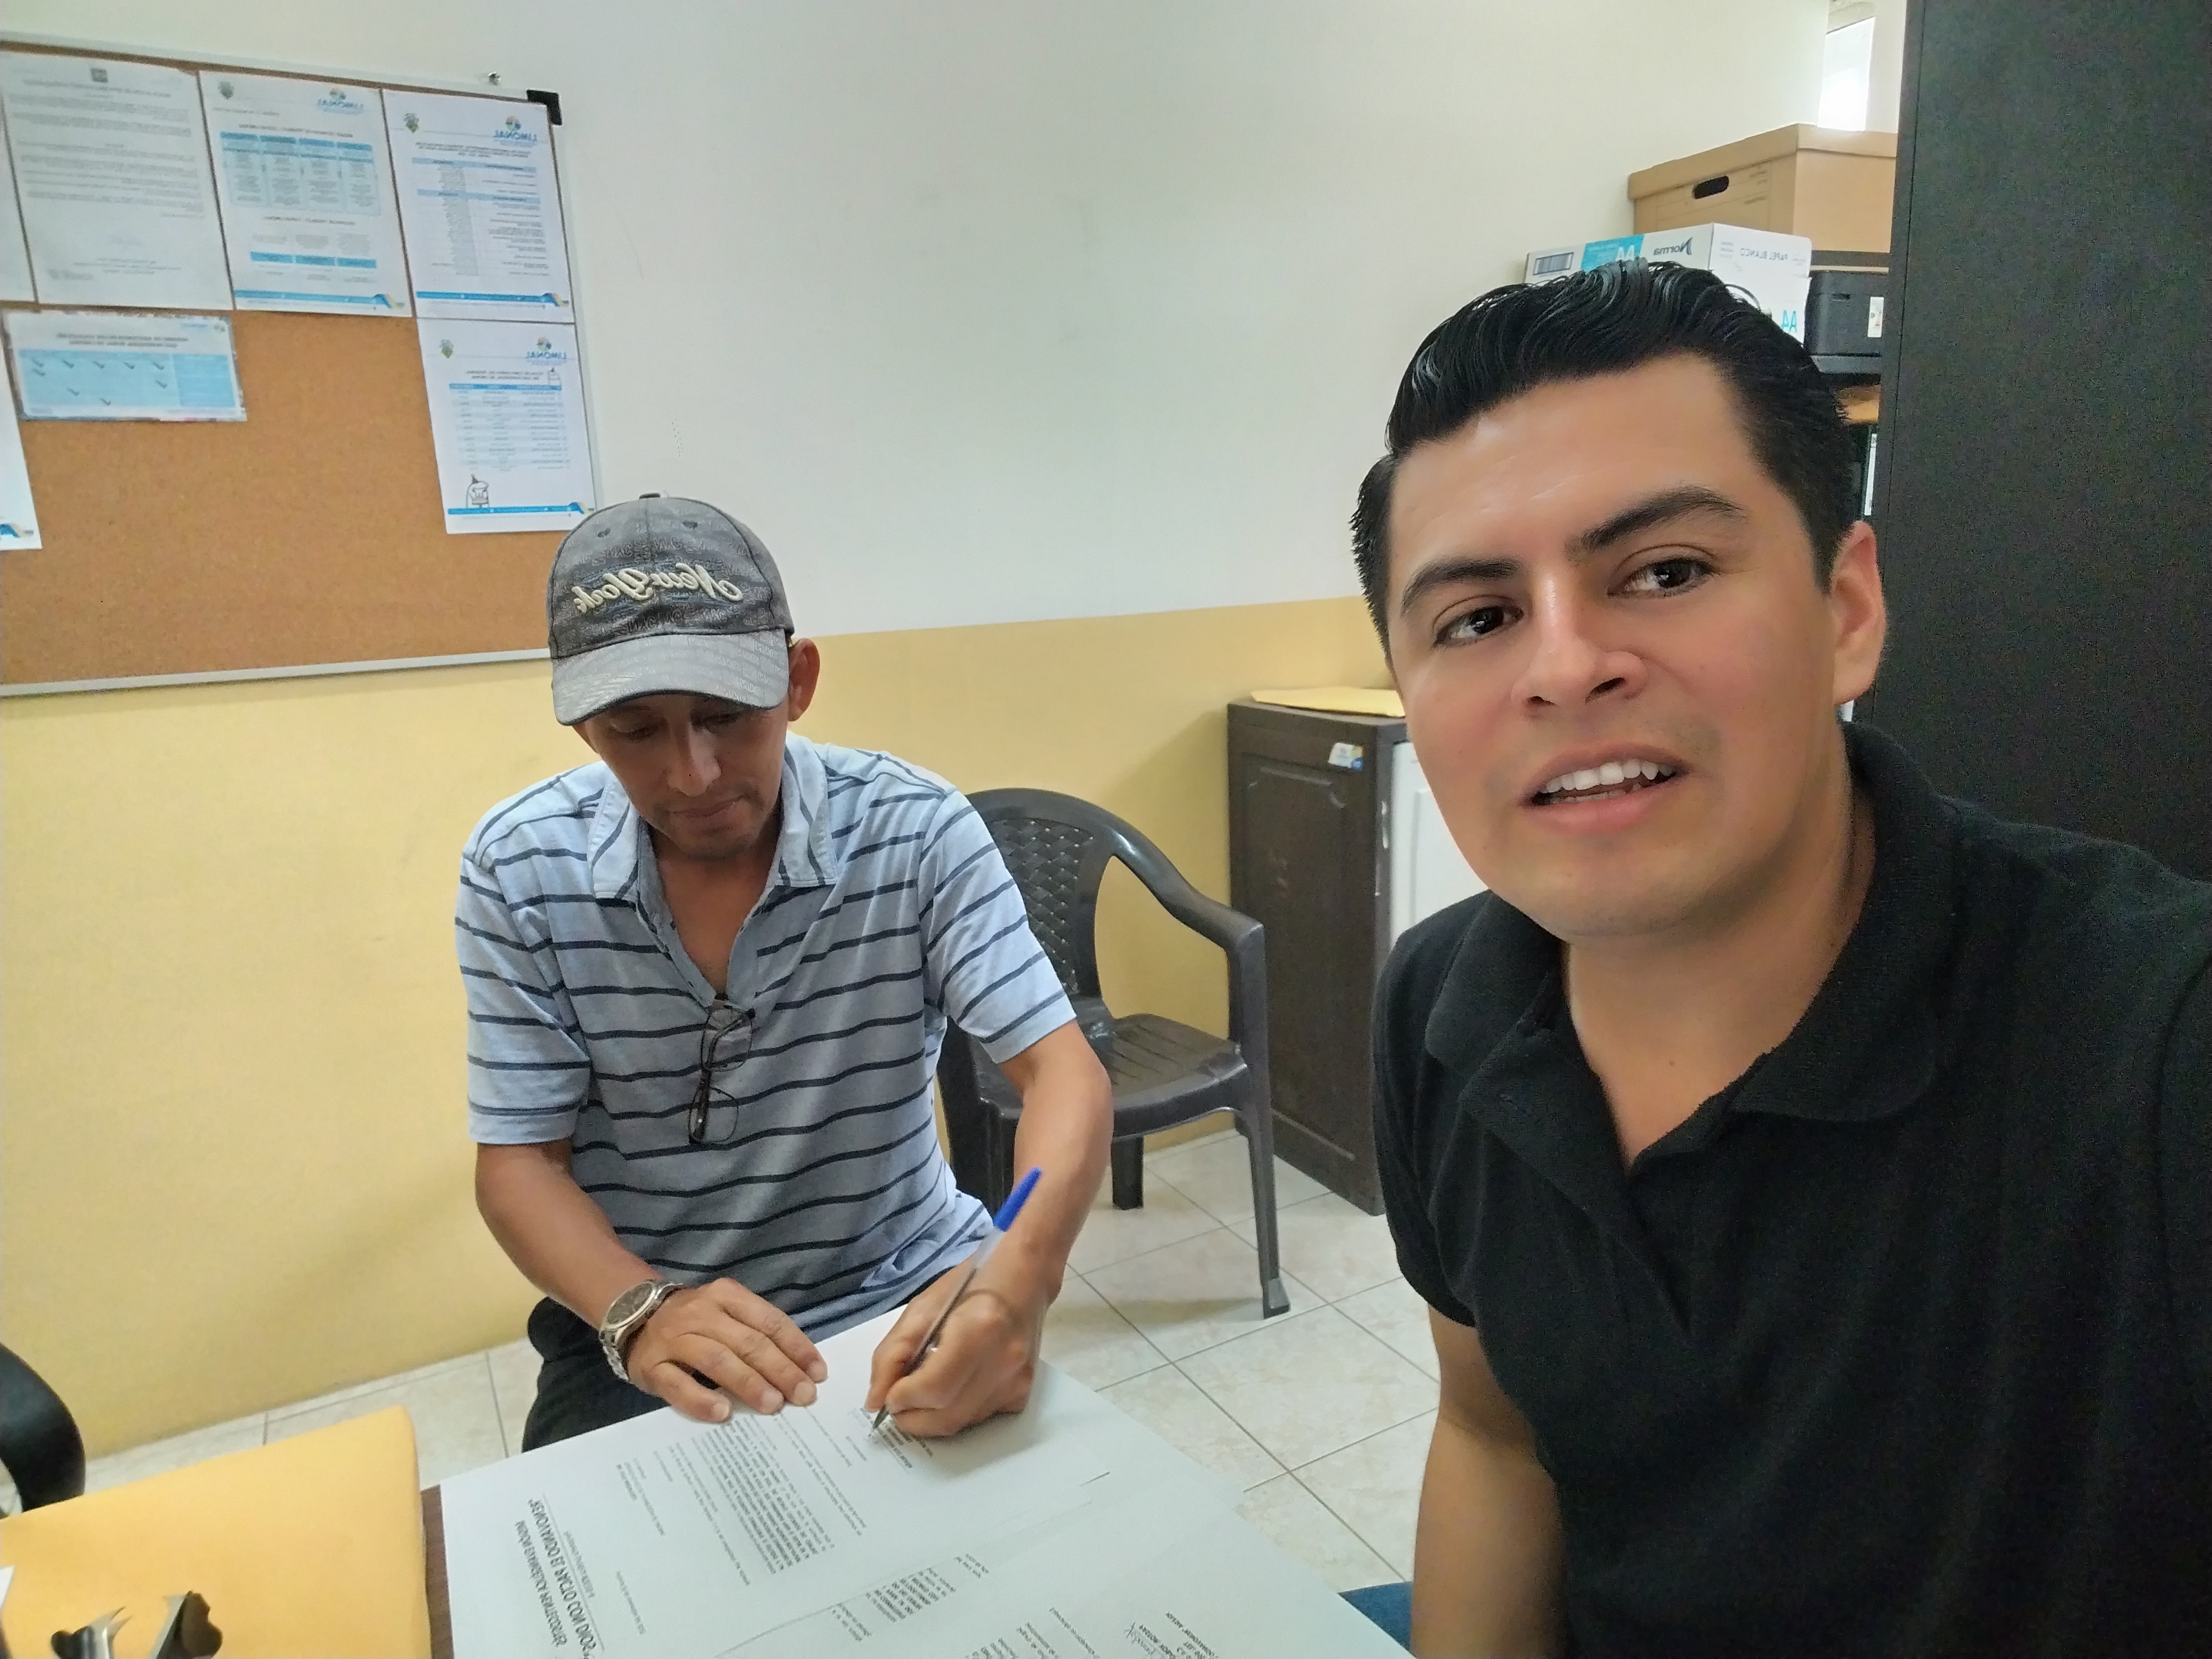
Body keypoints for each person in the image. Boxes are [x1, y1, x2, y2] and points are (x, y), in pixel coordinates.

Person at [1348, 263, 2210, 1656]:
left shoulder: (2154, 1051)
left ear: (1845, 608)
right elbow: (1494, 1440)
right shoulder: (1436, 1009)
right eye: (1477, 619)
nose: (1563, 667)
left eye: (1664, 572)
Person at [457, 494, 1111, 1448]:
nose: (693, 774)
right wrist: (639, 1309)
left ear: (797, 680)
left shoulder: (915, 830)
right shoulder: (521, 869)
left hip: (908, 1282)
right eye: (635, 730)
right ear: (584, 724)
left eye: (726, 716)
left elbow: (1060, 1072)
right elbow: (521, 1161)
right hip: (650, 1313)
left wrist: (1019, 1264)